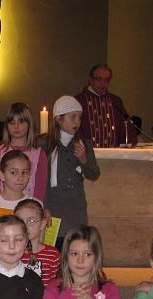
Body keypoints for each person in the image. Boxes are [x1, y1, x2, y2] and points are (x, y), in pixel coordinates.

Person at [45, 96, 100, 248]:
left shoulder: (84, 144)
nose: (77, 122)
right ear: (58, 119)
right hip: (54, 207)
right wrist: (44, 207)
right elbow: (42, 179)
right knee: (54, 249)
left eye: (79, 117)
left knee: (75, 247)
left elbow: (94, 174)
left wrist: (83, 160)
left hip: (76, 208)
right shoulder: (45, 144)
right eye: (73, 117)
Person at [0, 103, 47, 201]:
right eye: (12, 122)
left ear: (29, 124)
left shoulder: (39, 154)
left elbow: (40, 187)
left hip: (29, 205)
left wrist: (34, 206)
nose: (16, 126)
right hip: (2, 205)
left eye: (21, 122)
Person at [75, 64, 136, 148]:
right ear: (90, 79)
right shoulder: (79, 101)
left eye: (106, 80)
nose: (102, 83)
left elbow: (127, 128)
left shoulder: (115, 101)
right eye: (98, 79)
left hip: (113, 153)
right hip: (86, 153)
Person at [0, 150, 33, 241]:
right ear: (1, 175)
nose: (20, 178)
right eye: (13, 172)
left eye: (24, 172)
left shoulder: (34, 204)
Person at [14, 199, 60, 286]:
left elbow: (56, 286)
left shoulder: (53, 254)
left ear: (42, 224)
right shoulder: (11, 252)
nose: (25, 226)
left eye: (31, 221)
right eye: (20, 222)